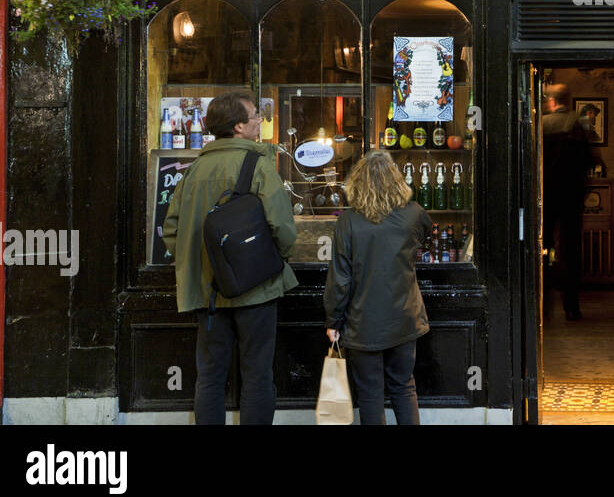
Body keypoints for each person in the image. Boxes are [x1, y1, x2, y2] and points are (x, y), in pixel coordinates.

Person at [162, 90, 298, 425]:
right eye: (255, 117)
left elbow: (171, 231)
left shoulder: (194, 169)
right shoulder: (259, 166)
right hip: (256, 289)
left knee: (209, 377)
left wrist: (203, 267)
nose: (259, 122)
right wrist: (265, 261)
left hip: (208, 295)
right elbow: (283, 228)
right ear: (238, 127)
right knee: (257, 376)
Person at [324, 150, 432, 425]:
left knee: (370, 395)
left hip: (363, 322)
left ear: (358, 183)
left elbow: (340, 278)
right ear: (396, 180)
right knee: (404, 387)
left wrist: (333, 319)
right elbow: (426, 236)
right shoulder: (414, 214)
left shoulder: (347, 222)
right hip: (404, 317)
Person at [541, 83, 592, 320]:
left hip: (547, 196)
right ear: (567, 100)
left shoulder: (542, 124)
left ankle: (543, 303)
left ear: (551, 102)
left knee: (545, 248)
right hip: (572, 195)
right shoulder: (579, 124)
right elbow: (589, 161)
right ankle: (572, 306)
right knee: (571, 250)